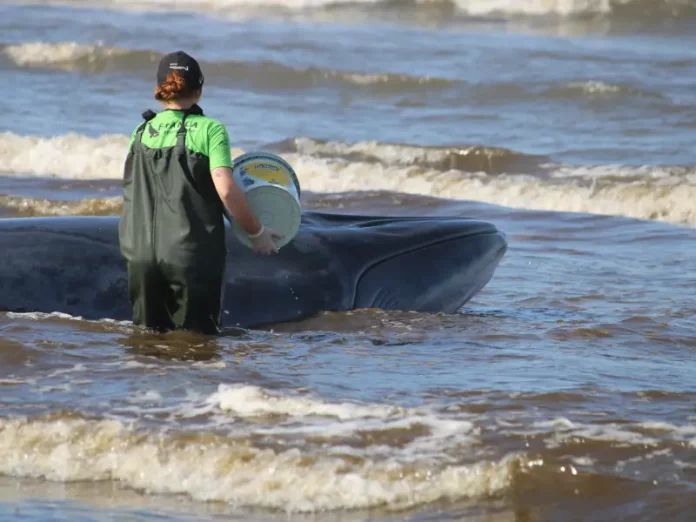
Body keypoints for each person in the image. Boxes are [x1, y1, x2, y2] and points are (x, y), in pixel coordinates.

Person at [118, 50, 283, 335]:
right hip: (190, 256)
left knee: (146, 344)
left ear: (160, 89)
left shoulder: (141, 131)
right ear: (199, 90)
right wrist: (257, 234)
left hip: (139, 253)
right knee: (197, 345)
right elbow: (227, 190)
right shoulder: (211, 131)